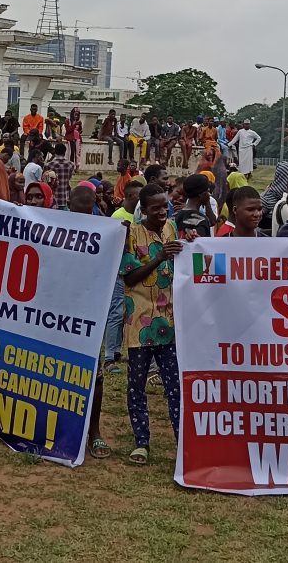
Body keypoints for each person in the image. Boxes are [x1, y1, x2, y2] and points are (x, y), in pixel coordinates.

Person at [119, 182, 183, 465]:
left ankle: (183, 440)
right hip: (139, 324)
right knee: (136, 384)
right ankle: (141, 442)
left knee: (175, 386)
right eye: (155, 207)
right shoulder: (131, 234)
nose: (162, 211)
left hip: (168, 322)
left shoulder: (172, 228)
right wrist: (158, 257)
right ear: (143, 209)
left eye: (164, 205)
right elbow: (130, 277)